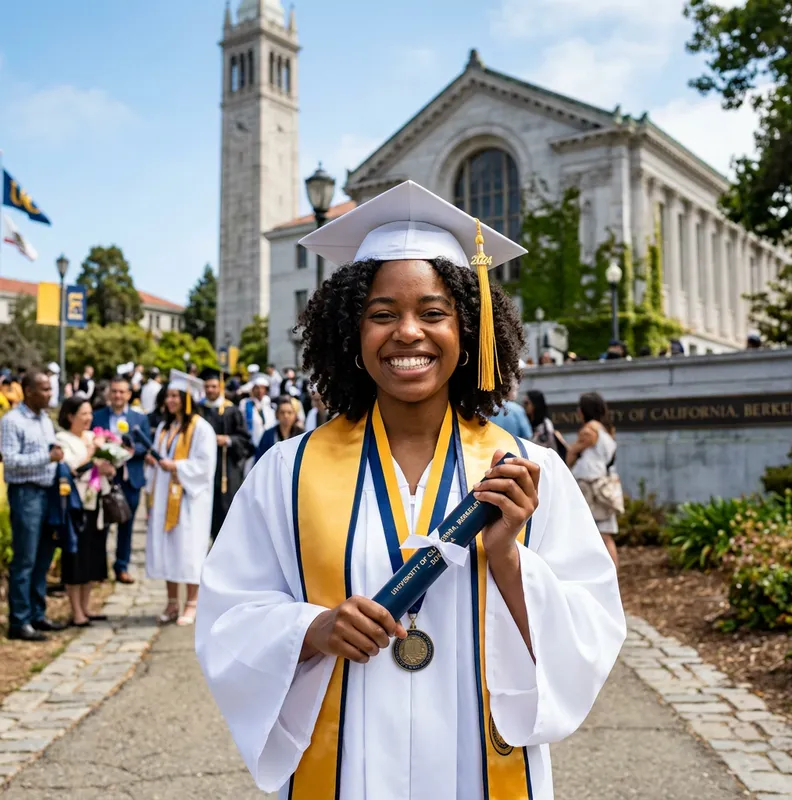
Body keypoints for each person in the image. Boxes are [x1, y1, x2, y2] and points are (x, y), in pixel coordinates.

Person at [195, 180, 625, 799]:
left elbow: (590, 633)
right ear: (350, 329)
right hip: (345, 772)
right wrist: (311, 629)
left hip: (479, 772)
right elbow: (226, 617)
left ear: (468, 328)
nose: (407, 333)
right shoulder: (285, 474)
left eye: (432, 312)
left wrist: (507, 558)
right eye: (381, 314)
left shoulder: (528, 473)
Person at [145, 370, 216, 627]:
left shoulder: (201, 429)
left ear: (187, 398)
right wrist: (153, 462)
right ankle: (172, 601)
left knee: (187, 549)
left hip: (189, 500)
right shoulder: (165, 427)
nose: (171, 400)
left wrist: (175, 465)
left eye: (176, 395)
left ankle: (192, 603)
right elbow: (159, 462)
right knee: (168, 549)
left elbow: (204, 466)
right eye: (169, 395)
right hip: (165, 496)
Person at [1, 371, 67, 641]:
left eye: (50, 389)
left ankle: (37, 614)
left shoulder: (45, 420)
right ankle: (19, 620)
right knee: (25, 558)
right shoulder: (12, 421)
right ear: (27, 391)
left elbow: (50, 450)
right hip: (26, 493)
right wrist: (47, 457)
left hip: (48, 492)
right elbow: (10, 460)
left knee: (43, 556)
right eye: (44, 389)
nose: (49, 394)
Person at [56, 397, 116, 626]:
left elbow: (107, 465)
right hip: (77, 505)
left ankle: (86, 606)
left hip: (97, 503)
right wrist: (92, 452)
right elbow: (72, 467)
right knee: (76, 557)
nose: (89, 418)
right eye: (83, 414)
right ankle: (76, 611)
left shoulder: (93, 436)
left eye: (90, 413)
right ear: (70, 416)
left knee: (92, 556)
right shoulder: (63, 439)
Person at [93, 375, 151, 584]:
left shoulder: (139, 418)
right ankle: (100, 569)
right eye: (114, 391)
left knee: (126, 524)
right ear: (109, 393)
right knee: (102, 524)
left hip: (130, 478)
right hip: (105, 478)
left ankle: (122, 566)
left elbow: (147, 446)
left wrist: (131, 451)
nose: (118, 395)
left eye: (122, 392)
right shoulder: (97, 416)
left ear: (128, 394)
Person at [567, 392, 623, 570]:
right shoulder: (607, 430)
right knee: (606, 534)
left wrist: (570, 450)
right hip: (605, 485)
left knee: (587, 533)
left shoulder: (588, 430)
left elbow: (571, 455)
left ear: (584, 410)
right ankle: (611, 575)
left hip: (589, 486)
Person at [199, 369, 253, 541]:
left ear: (220, 387)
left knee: (226, 510)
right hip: (204, 470)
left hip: (226, 470)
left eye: (214, 386)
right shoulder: (199, 410)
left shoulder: (231, 411)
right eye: (207, 386)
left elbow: (244, 439)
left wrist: (228, 440)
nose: (210, 390)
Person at [254, 394, 303, 462]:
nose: (286, 416)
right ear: (277, 414)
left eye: (289, 412)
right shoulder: (268, 434)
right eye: (282, 412)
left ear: (295, 415)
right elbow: (260, 458)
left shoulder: (301, 434)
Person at [239, 373, 275, 465]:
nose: (260, 391)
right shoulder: (245, 404)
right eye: (257, 388)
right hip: (251, 445)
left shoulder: (270, 405)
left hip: (268, 445)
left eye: (262, 388)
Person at [522, 390, 567, 461]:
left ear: (535, 404)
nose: (524, 406)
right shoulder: (524, 421)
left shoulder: (546, 425)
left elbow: (552, 448)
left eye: (526, 403)